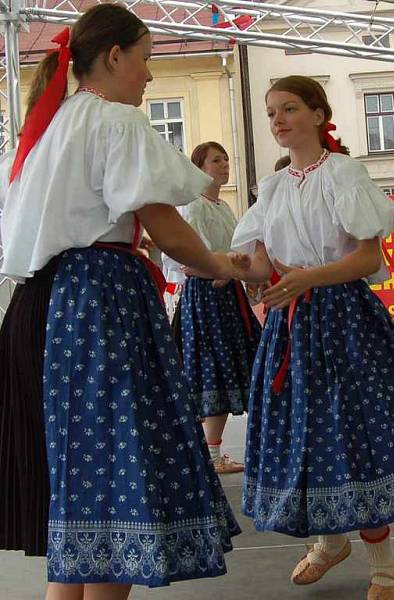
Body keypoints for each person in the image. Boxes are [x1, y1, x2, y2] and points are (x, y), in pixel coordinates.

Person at [0, 6, 242, 598]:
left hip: (41, 307)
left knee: (80, 497)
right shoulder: (114, 121)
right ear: (114, 57)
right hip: (97, 305)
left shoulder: (50, 127)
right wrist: (222, 267)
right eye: (146, 59)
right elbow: (163, 221)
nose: (149, 77)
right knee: (115, 486)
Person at [230, 75, 394, 600]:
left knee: (357, 437)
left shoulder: (345, 173)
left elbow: (368, 258)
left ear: (317, 114)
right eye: (271, 113)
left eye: (288, 109)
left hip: (344, 322)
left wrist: (304, 278)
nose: (278, 120)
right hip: (293, 327)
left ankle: (385, 563)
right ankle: (331, 541)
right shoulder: (276, 186)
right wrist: (235, 267)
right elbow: (258, 259)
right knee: (310, 437)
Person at [162, 141, 262, 474]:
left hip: (226, 291)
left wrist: (236, 272)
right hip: (206, 295)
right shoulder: (193, 206)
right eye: (216, 160)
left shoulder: (222, 207)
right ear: (200, 168)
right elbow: (188, 260)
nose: (224, 165)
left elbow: (235, 251)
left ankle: (213, 451)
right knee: (209, 370)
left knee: (230, 367)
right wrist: (221, 270)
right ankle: (209, 453)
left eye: (226, 159)